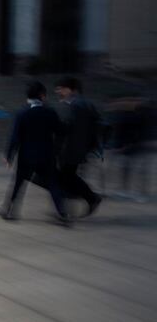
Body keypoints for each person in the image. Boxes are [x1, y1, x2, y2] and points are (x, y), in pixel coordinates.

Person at [0, 81, 69, 223]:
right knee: (53, 184)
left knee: (18, 183)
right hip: (47, 155)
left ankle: (8, 210)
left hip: (26, 156)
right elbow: (61, 131)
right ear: (42, 96)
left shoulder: (22, 113)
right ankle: (63, 213)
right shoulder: (50, 112)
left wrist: (9, 156)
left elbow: (15, 136)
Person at [54, 76, 103, 217]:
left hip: (72, 150)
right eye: (57, 90)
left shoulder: (76, 106)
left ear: (72, 90)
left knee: (67, 176)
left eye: (62, 89)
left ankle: (90, 198)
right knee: (68, 176)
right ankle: (82, 198)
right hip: (77, 149)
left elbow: (70, 130)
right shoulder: (82, 104)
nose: (59, 92)